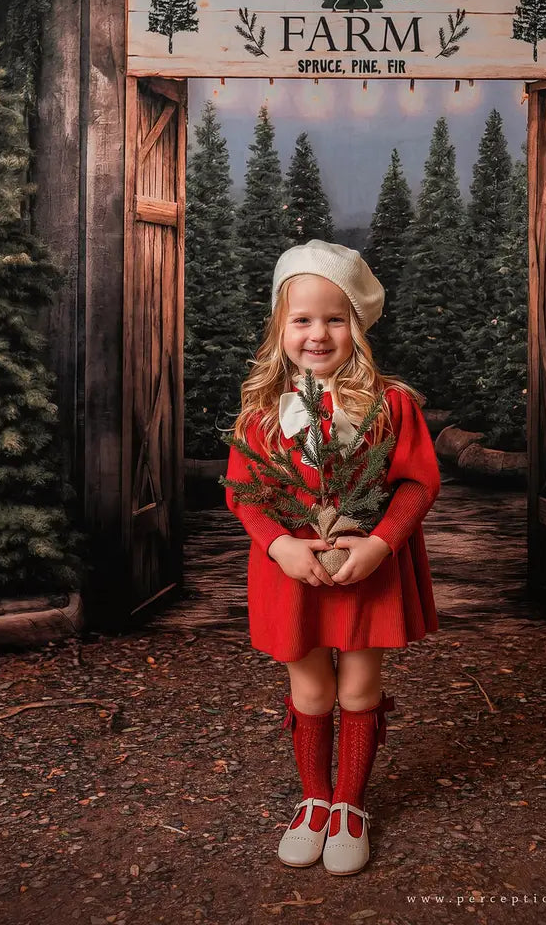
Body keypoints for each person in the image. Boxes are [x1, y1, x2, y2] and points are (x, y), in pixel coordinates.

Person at [223, 238, 440, 876]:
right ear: (279, 327)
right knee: (311, 685)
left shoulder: (388, 404)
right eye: (302, 319)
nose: (318, 334)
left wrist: (379, 544)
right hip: (293, 571)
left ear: (358, 326)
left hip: (362, 569)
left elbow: (418, 483)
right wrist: (281, 544)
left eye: (334, 319)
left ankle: (350, 804)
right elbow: (245, 493)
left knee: (359, 683)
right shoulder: (261, 411)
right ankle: (314, 799)